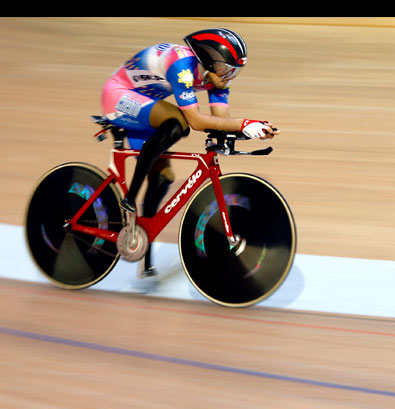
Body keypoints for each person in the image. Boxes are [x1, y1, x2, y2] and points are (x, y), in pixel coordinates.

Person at [100, 27, 279, 277]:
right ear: (209, 60)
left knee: (163, 179)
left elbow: (220, 122)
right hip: (119, 97)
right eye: (229, 68)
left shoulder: (215, 78)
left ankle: (144, 256)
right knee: (178, 123)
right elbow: (195, 121)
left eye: (236, 71)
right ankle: (128, 199)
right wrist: (244, 124)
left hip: (146, 106)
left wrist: (251, 130)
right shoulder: (182, 65)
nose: (231, 76)